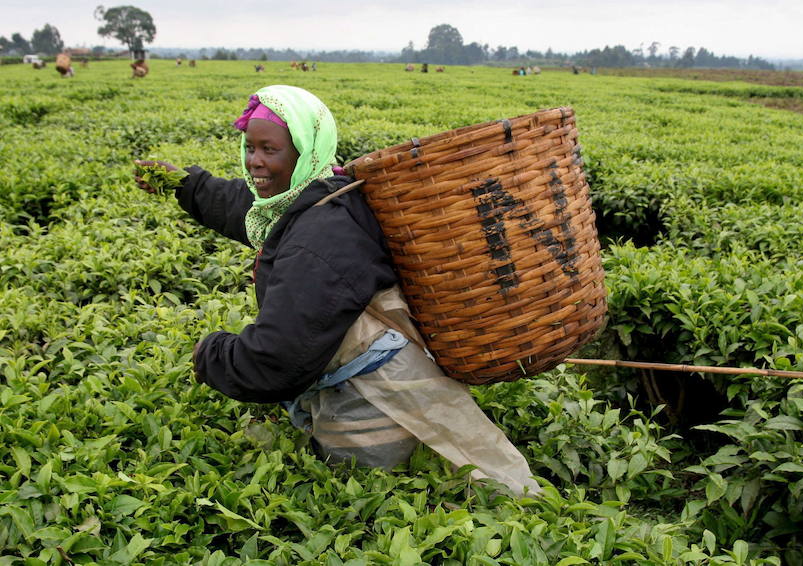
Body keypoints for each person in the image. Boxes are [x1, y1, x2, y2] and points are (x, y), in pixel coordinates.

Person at [133, 85, 539, 495]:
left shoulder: (318, 238)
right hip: (376, 378)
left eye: (269, 150)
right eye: (249, 147)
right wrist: (185, 185)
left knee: (368, 497)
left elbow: (275, 362)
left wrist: (211, 353)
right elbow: (245, 207)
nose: (254, 161)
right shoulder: (320, 192)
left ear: (305, 150)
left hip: (378, 400)